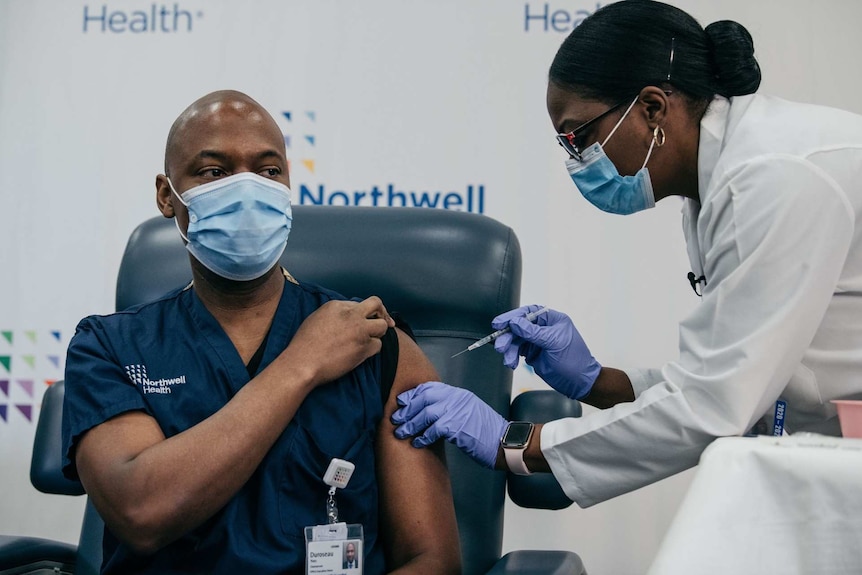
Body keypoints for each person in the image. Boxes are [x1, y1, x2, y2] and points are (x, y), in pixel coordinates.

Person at [392, 0, 862, 508]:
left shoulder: (771, 177)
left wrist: (516, 443)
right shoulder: (719, 185)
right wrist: (597, 382)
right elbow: (728, 379)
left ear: (653, 107)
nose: (577, 162)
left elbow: (712, 404)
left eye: (580, 137)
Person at [61, 90, 461, 574]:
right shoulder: (109, 348)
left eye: (269, 171)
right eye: (215, 172)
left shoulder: (374, 342)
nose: (247, 190)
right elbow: (141, 512)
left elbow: (432, 559)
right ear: (168, 196)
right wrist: (301, 364)